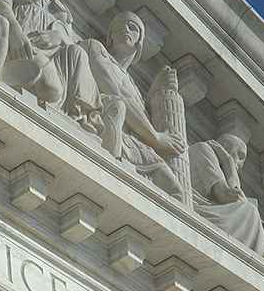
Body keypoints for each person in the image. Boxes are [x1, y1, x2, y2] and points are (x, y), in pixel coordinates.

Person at [78, 12, 185, 198]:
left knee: (174, 190)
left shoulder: (134, 86)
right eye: (119, 26)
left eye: (132, 27)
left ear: (139, 42)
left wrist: (155, 93)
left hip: (131, 142)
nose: (125, 29)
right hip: (100, 118)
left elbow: (136, 110)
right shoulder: (95, 47)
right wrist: (156, 137)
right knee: (118, 106)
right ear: (110, 36)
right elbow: (113, 90)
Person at [0, 0, 99, 124]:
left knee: (79, 53)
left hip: (55, 55)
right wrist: (15, 31)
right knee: (51, 89)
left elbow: (69, 38)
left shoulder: (61, 7)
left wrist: (60, 37)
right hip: (25, 45)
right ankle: (6, 72)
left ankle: (82, 118)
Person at [188, 134, 264, 253]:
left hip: (213, 211)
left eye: (242, 159)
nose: (240, 164)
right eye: (239, 155)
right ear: (222, 147)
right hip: (199, 209)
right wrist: (229, 164)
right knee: (250, 211)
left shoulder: (220, 166)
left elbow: (236, 198)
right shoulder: (203, 149)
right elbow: (227, 196)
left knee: (251, 215)